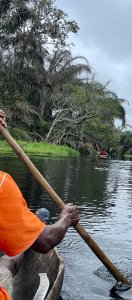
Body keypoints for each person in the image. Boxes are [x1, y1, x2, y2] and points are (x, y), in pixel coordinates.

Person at [0, 110, 80, 300]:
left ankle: (29, 224)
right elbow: (45, 242)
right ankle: (30, 226)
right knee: (12, 256)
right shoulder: (1, 184)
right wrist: (66, 218)